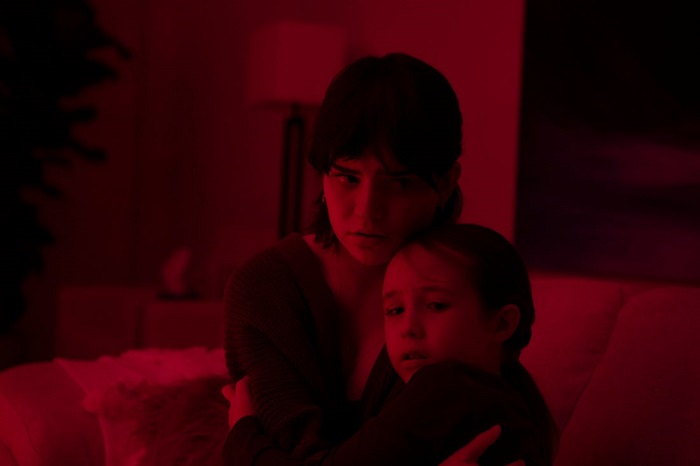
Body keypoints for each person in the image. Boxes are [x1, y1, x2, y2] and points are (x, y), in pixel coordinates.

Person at [222, 52, 525, 465]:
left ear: (446, 182)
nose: (367, 211)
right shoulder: (265, 288)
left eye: (399, 183)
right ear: (323, 174)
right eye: (347, 177)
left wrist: (242, 441)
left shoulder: (464, 291)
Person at [225, 224, 557, 465]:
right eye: (395, 310)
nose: (408, 329)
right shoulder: (508, 404)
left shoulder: (446, 389)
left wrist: (243, 436)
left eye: (436, 305)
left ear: (502, 323)